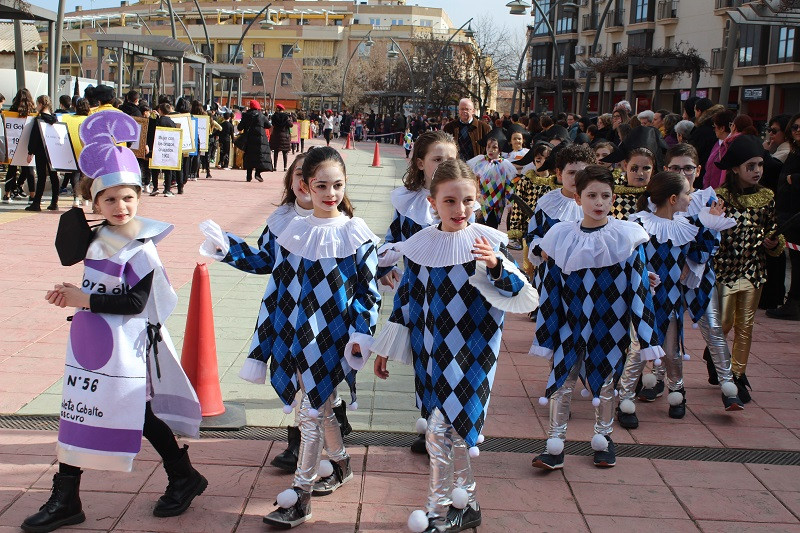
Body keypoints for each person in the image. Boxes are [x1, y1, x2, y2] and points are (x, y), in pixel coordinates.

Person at [21, 110, 205, 533]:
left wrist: (83, 297)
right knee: (79, 411)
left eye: (128, 198)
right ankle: (71, 496)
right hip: (92, 342)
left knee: (127, 414)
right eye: (110, 199)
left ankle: (179, 476)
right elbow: (86, 272)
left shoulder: (141, 245)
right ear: (94, 202)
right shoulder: (99, 235)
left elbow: (136, 302)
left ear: (140, 197)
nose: (121, 207)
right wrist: (74, 291)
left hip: (126, 346)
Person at [205, 147, 380, 528]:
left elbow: (368, 293)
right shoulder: (289, 228)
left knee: (311, 412)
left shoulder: (356, 233)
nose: (330, 192)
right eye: (321, 185)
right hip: (291, 333)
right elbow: (265, 263)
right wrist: (226, 246)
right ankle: (342, 464)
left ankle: (300, 496)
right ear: (305, 185)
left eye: (337, 184)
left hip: (333, 338)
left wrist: (362, 334)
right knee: (320, 405)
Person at [372, 158, 537, 533]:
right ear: (433, 202)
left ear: (476, 201)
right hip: (431, 352)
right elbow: (407, 298)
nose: (459, 209)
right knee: (453, 431)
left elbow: (521, 293)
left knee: (438, 430)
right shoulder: (420, 246)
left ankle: (438, 511)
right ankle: (470, 503)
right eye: (449, 201)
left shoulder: (487, 242)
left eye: (466, 200)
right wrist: (387, 345)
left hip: (474, 353)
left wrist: (496, 265)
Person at [530, 165, 664, 471]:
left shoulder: (627, 238)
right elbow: (550, 288)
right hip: (570, 324)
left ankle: (604, 439)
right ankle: (554, 445)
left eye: (605, 195)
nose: (599, 202)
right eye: (591, 195)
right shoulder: (561, 236)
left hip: (610, 325)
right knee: (561, 382)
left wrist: (647, 340)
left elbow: (639, 290)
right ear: (578, 198)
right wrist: (546, 333)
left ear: (613, 198)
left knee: (606, 383)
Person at [617, 171, 738, 430]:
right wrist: (641, 273)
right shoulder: (638, 223)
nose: (690, 197)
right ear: (673, 198)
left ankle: (677, 392)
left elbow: (702, 255)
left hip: (671, 300)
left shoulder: (687, 226)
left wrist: (712, 227)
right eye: (686, 193)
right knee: (638, 350)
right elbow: (626, 257)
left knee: (672, 351)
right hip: (643, 301)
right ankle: (625, 399)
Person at [373, 131, 460, 455]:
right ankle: (429, 425)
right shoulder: (408, 204)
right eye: (438, 159)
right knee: (424, 362)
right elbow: (391, 241)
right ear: (421, 163)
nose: (444, 165)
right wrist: (387, 265)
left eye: (450, 159)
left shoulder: (463, 202)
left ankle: (447, 430)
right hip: (417, 294)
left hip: (454, 297)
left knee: (449, 363)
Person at [658, 144, 744, 409]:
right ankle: (671, 385)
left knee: (713, 328)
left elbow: (713, 239)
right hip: (668, 278)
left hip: (700, 276)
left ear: (697, 170)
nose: (682, 173)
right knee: (668, 333)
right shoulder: (659, 200)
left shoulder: (707, 199)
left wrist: (695, 260)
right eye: (675, 168)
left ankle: (729, 385)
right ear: (666, 170)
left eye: (687, 168)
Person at [713, 135, 785, 403]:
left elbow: (774, 231)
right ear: (734, 168)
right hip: (723, 271)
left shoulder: (767, 197)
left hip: (753, 270)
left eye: (760, 165)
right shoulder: (721, 198)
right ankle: (717, 357)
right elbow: (710, 234)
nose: (757, 171)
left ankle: (736, 375)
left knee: (746, 325)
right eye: (750, 166)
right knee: (723, 323)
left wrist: (773, 241)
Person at [525, 144, 596, 280]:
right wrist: (541, 249)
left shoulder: (597, 203)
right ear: (559, 173)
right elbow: (531, 235)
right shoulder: (547, 202)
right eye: (571, 173)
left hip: (586, 274)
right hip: (551, 272)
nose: (576, 178)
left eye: (582, 173)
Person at [507, 142, 555, 254]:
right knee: (528, 262)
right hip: (529, 225)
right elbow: (518, 206)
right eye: (538, 160)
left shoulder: (554, 182)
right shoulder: (525, 180)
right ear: (534, 161)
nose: (542, 163)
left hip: (548, 227)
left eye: (546, 159)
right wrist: (516, 229)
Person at [466, 129, 517, 229]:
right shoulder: (479, 162)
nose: (490, 150)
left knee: (492, 227)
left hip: (497, 204)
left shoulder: (504, 165)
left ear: (500, 149)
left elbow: (509, 185)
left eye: (494, 147)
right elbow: (472, 180)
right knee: (478, 227)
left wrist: (510, 202)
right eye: (488, 147)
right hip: (481, 202)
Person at [25, 95, 61, 212]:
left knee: (41, 177)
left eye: (37, 104)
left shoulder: (39, 119)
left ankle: (36, 203)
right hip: (53, 150)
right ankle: (54, 202)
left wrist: (30, 152)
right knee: (54, 176)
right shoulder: (55, 119)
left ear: (41, 104)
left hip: (41, 151)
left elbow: (34, 137)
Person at [2, 88, 36, 204]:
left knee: (11, 169)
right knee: (29, 169)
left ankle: (6, 195)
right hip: (27, 145)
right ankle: (32, 196)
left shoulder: (11, 111)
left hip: (13, 144)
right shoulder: (32, 112)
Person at [238, 100, 273, 182]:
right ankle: (257, 173)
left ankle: (248, 176)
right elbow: (268, 125)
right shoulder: (261, 116)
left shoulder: (246, 115)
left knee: (249, 156)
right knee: (260, 157)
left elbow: (240, 127)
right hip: (261, 140)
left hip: (249, 139)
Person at [271, 103, 293, 172]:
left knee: (276, 152)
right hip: (285, 136)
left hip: (276, 135)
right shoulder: (286, 117)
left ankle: (275, 166)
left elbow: (273, 124)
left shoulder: (274, 116)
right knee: (285, 152)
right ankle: (285, 167)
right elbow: (291, 125)